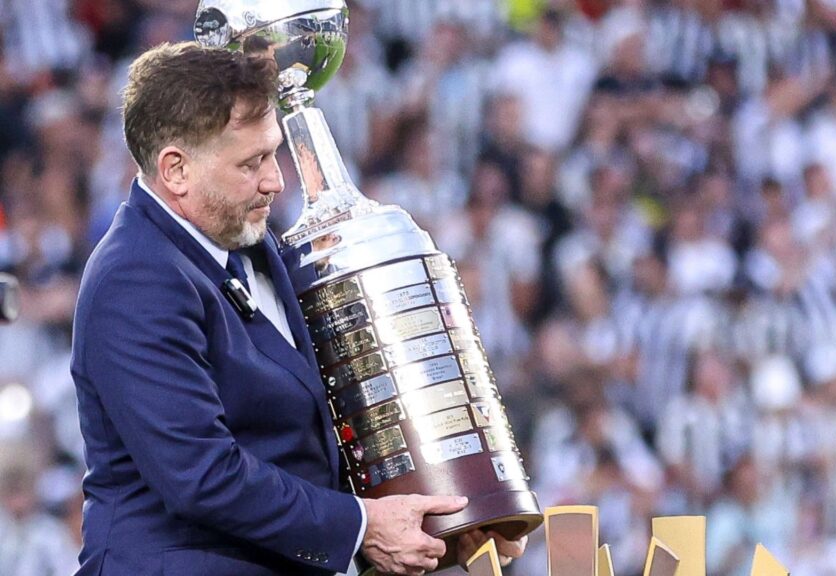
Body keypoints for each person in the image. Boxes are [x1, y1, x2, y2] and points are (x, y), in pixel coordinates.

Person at [70, 42, 525, 576]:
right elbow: (201, 475)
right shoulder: (136, 278)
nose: (275, 180)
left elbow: (304, 443)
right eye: (251, 162)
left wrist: (445, 518)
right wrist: (363, 526)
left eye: (274, 153)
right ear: (176, 170)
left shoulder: (256, 245)